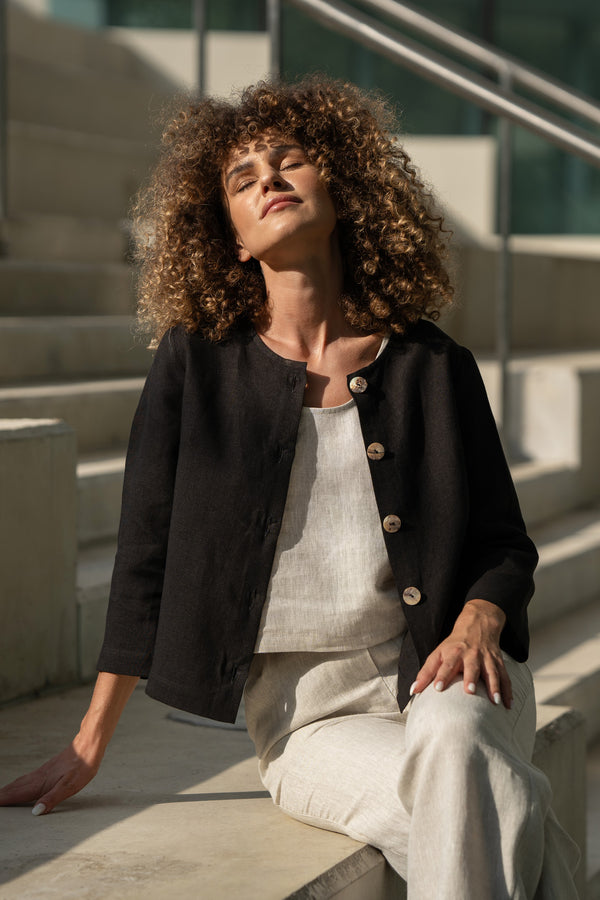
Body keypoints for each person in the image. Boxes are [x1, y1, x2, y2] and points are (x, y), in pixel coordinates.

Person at [0, 77, 580, 898]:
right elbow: (144, 559)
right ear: (232, 237)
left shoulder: (432, 365)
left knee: (456, 744)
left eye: (290, 162)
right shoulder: (195, 365)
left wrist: (481, 618)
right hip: (312, 721)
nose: (269, 179)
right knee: (497, 798)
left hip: (455, 679)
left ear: (338, 189)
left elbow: (505, 544)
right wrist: (90, 742)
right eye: (243, 178)